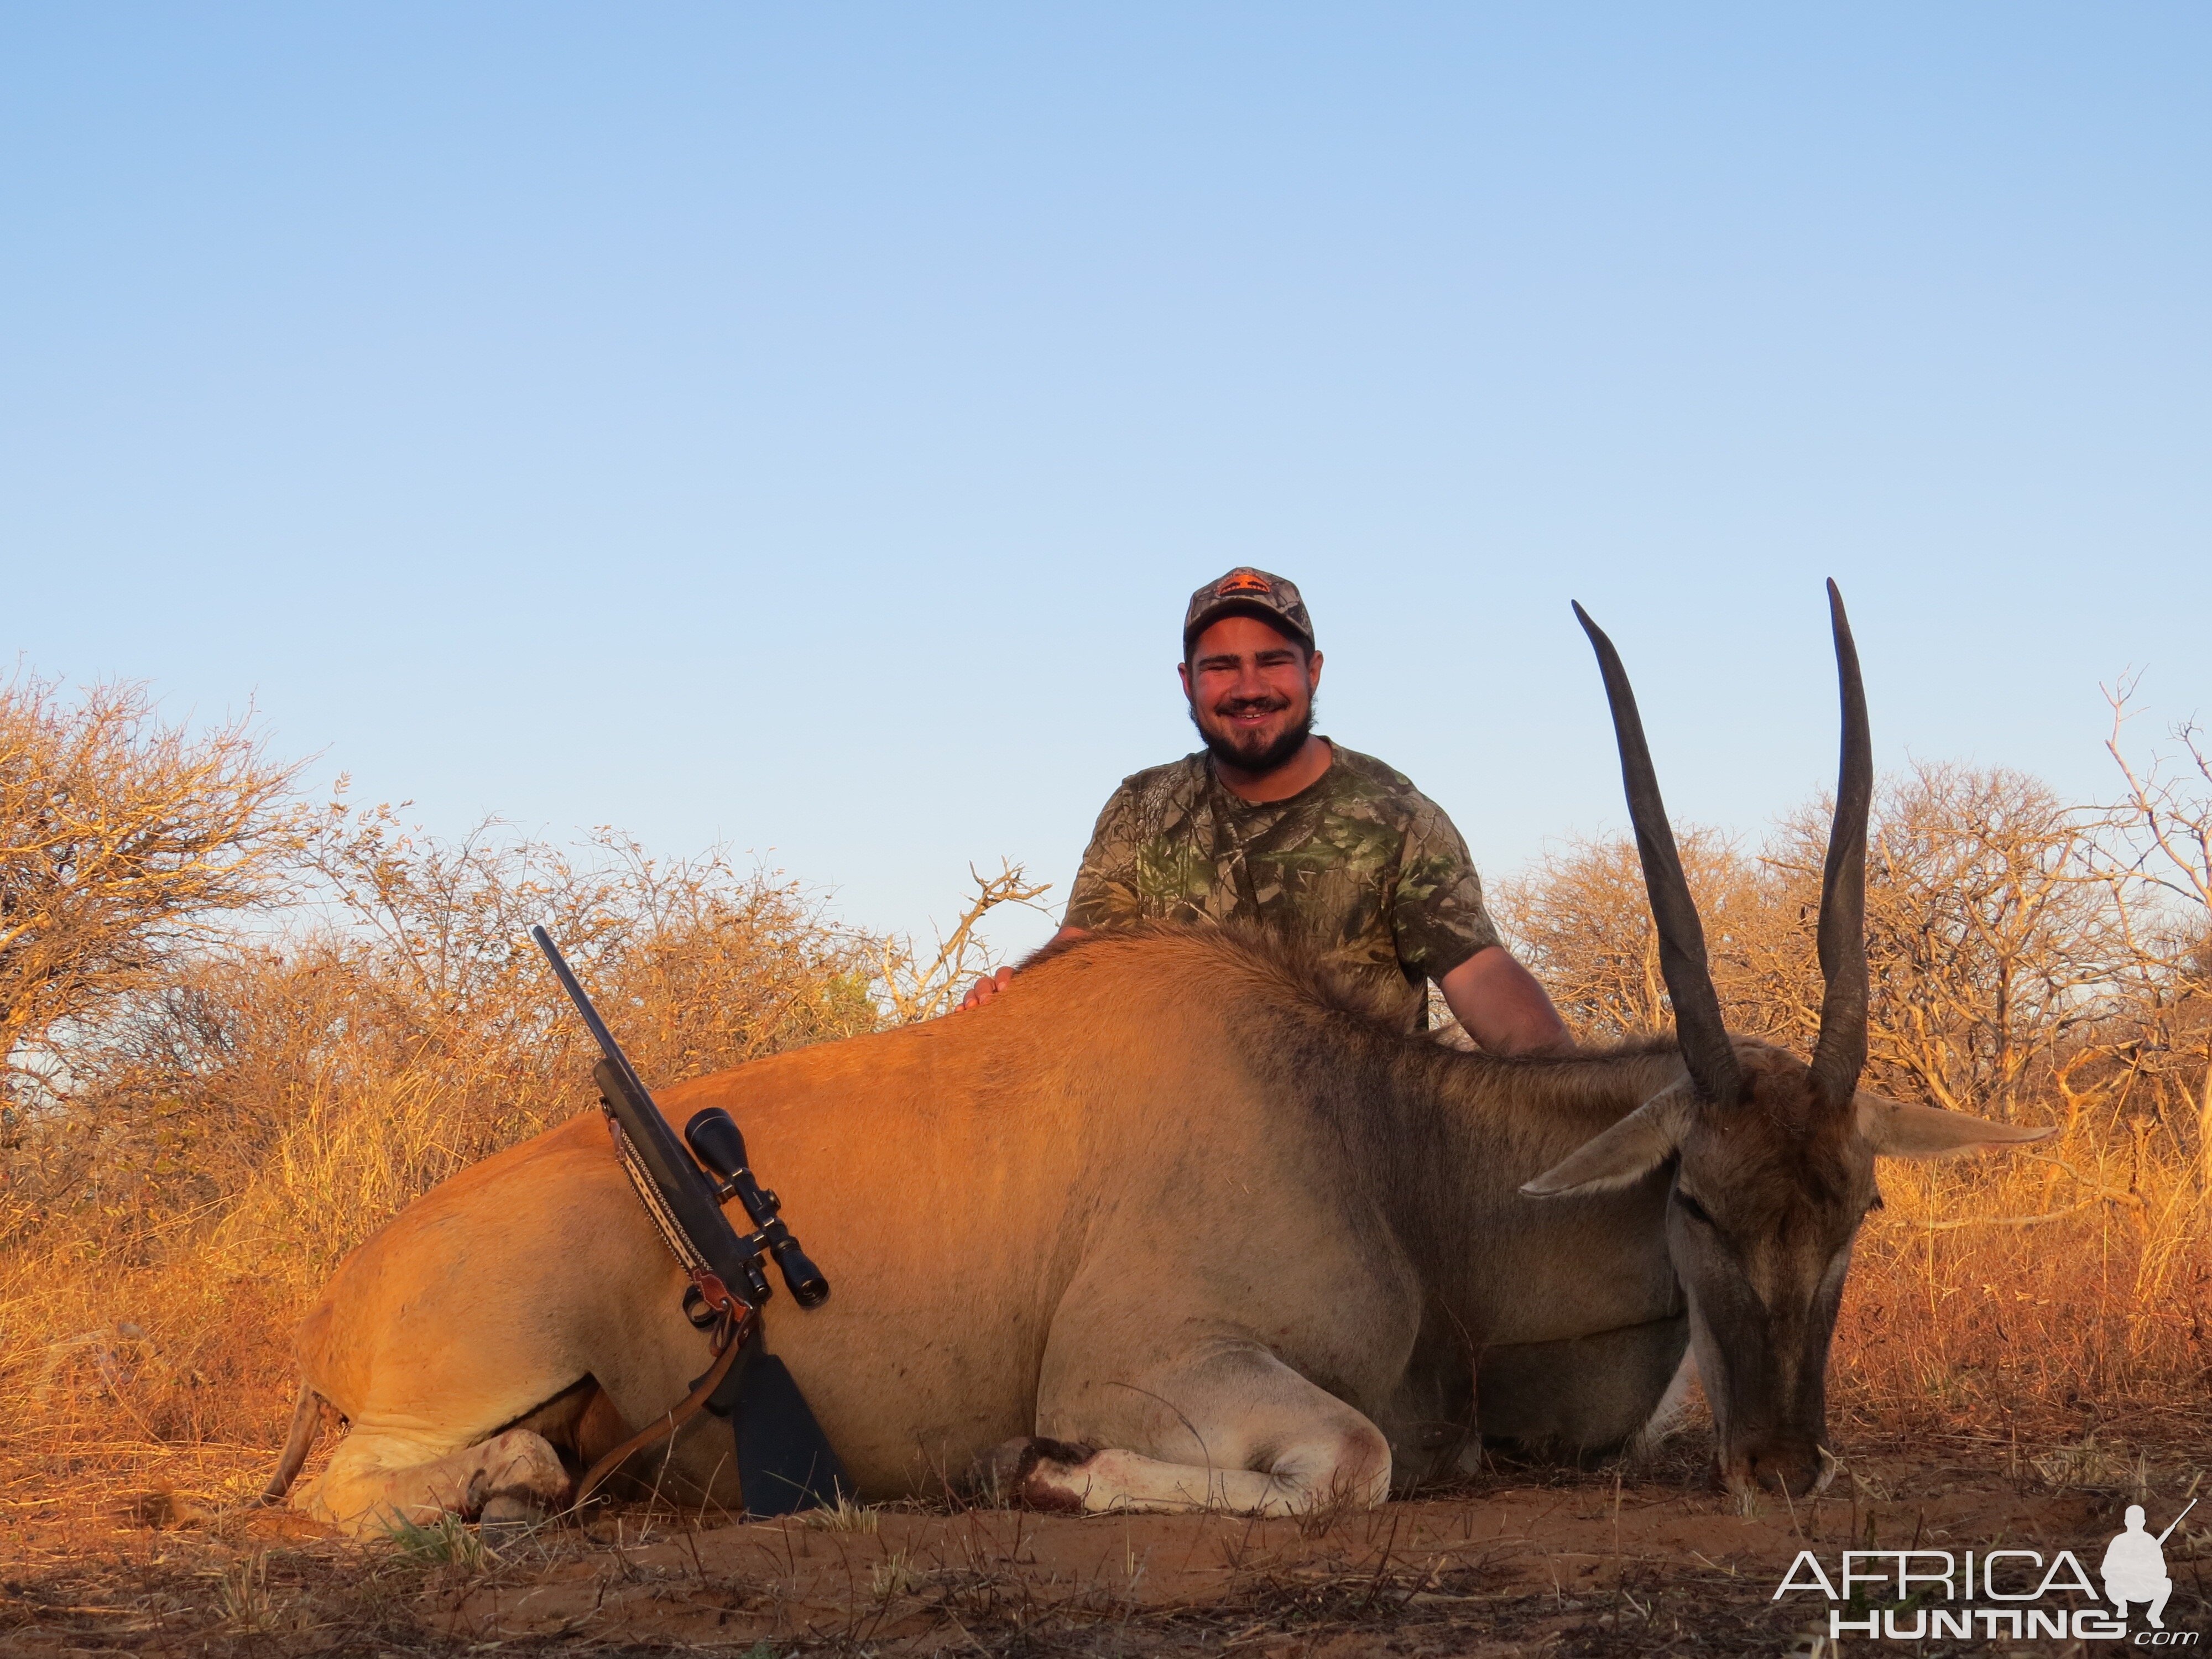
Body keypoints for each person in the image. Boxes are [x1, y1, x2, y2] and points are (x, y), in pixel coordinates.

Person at [959, 567, 1574, 1055]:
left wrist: (1565, 1090)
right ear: (1186, 682)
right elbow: (1084, 953)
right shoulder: (1140, 807)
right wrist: (1014, 996)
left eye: (1272, 661)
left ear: (1313, 670)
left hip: (1361, 1144)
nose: (1248, 687)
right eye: (1220, 667)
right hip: (1174, 1133)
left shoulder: (1398, 814)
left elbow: (1476, 970)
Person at [2101, 1505, 2173, 1629]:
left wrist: (2145, 1572)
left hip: (2145, 1589)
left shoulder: (2151, 1542)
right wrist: (2123, 1572)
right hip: (2123, 1588)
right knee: (2110, 1583)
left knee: (2166, 1583)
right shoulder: (2118, 1541)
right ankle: (2122, 1606)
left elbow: (2162, 1571)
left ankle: (2154, 1615)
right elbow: (2106, 1570)